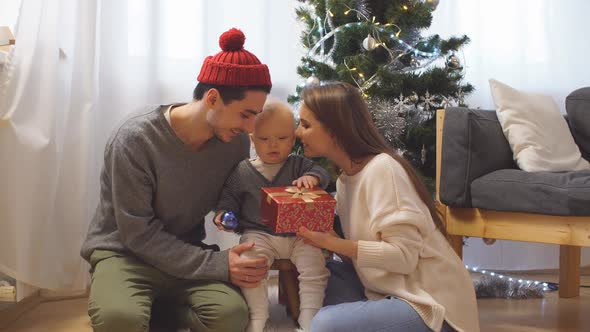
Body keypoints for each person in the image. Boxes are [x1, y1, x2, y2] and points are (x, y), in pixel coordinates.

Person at [80, 28, 273, 332]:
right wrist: (220, 265)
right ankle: (129, 305)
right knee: (121, 321)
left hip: (184, 249)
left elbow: (230, 198)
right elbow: (138, 234)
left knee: (231, 316)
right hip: (124, 252)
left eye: (256, 116)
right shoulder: (134, 139)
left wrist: (237, 216)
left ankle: (153, 310)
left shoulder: (234, 142)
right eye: (245, 115)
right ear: (212, 98)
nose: (250, 128)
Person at [295, 82, 480, 332]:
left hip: (431, 307)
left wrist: (333, 243)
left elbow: (403, 258)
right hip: (385, 292)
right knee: (320, 274)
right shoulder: (345, 180)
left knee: (325, 324)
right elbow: (363, 254)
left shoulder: (383, 169)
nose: (298, 133)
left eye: (306, 125)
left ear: (335, 129)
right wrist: (326, 239)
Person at [214, 98, 331, 332]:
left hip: (299, 234)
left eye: (282, 138)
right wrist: (223, 214)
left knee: (315, 266)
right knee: (250, 263)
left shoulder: (298, 164)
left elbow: (321, 171)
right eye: (264, 139)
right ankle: (258, 316)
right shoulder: (243, 171)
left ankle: (310, 318)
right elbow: (228, 197)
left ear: (293, 137)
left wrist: (314, 178)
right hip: (259, 234)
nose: (273, 145)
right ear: (252, 139)